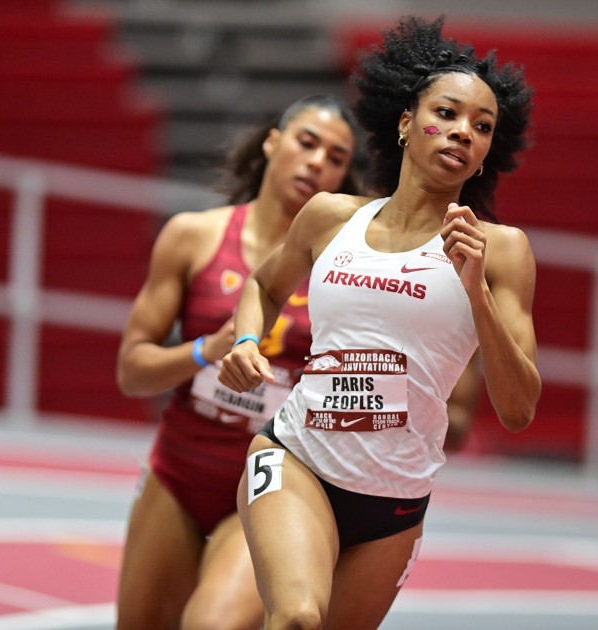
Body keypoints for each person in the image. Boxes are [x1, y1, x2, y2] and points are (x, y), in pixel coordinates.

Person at [218, 16, 540, 629]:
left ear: (484, 157)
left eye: (481, 127)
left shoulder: (501, 250)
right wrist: (247, 341)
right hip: (297, 458)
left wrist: (477, 294)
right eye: (445, 113)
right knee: (296, 619)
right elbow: (262, 285)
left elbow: (519, 408)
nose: (461, 133)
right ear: (404, 124)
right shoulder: (330, 217)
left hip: (394, 504)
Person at [115, 94, 360, 630]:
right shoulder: (193, 236)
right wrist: (207, 348)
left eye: (336, 157)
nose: (318, 162)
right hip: (179, 473)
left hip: (274, 478)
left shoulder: (347, 269)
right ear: (273, 141)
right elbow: (131, 372)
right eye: (307, 142)